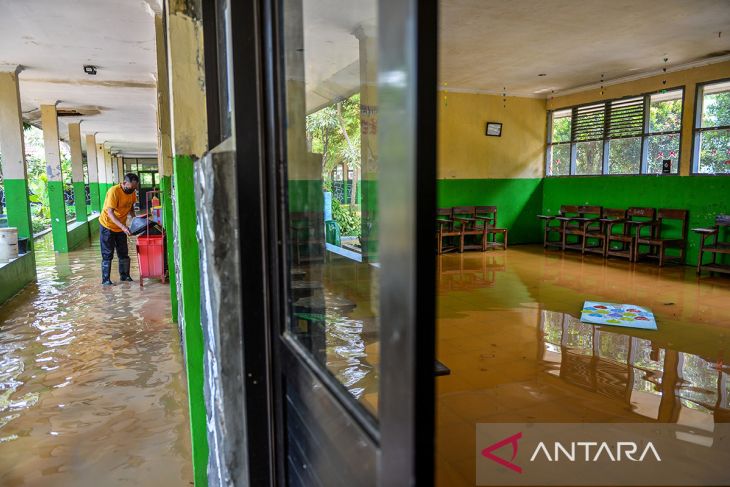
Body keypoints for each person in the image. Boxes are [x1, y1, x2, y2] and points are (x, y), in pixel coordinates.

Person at [99, 173, 139, 285]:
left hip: (121, 227)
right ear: (124, 183)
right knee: (107, 254)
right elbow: (110, 212)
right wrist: (123, 227)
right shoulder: (114, 191)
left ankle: (125, 276)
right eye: (131, 188)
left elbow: (131, 207)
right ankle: (106, 280)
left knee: (123, 253)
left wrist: (135, 222)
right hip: (107, 226)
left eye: (135, 188)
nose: (133, 190)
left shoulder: (132, 192)